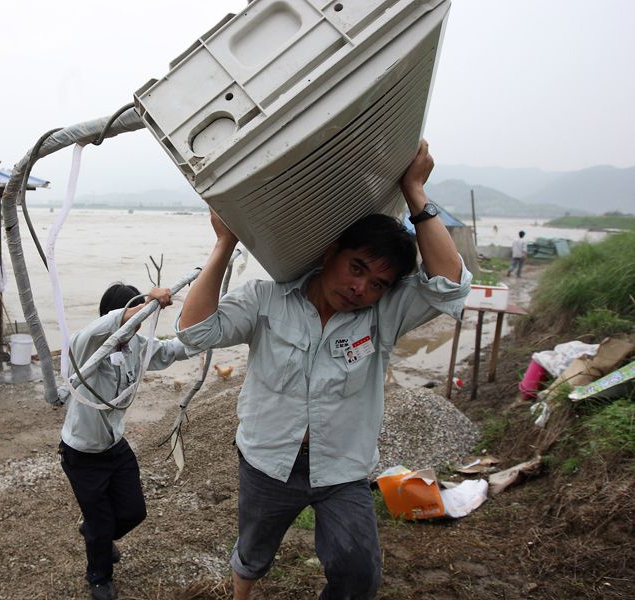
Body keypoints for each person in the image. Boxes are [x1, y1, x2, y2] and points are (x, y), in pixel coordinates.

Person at [177, 140, 471, 599]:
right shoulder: (266, 299)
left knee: (359, 574)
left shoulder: (382, 316)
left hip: (342, 468)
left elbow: (450, 287)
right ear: (331, 251)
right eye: (356, 268)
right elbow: (195, 332)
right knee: (254, 551)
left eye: (377, 283)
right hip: (268, 461)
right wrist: (224, 243)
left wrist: (413, 190)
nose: (360, 288)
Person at [59, 284, 195, 600]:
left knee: (134, 512)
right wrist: (143, 306)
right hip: (82, 452)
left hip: (116, 447)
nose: (134, 328)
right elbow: (103, 326)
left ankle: (97, 534)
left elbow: (172, 349)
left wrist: (208, 332)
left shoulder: (137, 346)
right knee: (102, 522)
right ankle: (99, 578)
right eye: (131, 319)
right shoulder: (86, 346)